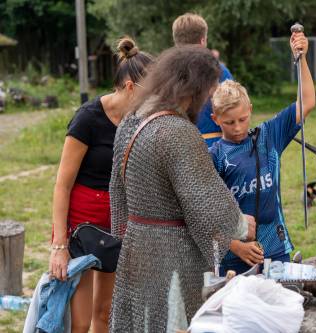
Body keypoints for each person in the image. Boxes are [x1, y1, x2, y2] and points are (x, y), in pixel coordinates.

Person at [108, 46, 255, 332]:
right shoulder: (178, 132)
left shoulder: (131, 119)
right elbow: (205, 202)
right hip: (173, 256)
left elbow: (117, 192)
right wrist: (239, 224)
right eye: (208, 91)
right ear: (195, 87)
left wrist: (125, 238)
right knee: (172, 324)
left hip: (136, 247)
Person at [49, 37, 153, 333]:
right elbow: (62, 185)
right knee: (79, 322)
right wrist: (59, 245)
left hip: (115, 222)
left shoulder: (139, 122)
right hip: (80, 227)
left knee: (105, 313)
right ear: (131, 86)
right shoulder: (87, 119)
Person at [209, 30, 315, 275]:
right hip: (234, 260)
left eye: (243, 119)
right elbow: (205, 215)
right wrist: (235, 246)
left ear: (251, 110)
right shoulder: (213, 156)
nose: (237, 128)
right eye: (229, 122)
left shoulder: (268, 136)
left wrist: (302, 59)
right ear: (215, 119)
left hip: (276, 247)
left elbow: (307, 102)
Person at [172, 13, 233, 147]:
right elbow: (233, 110)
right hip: (216, 147)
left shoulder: (166, 74)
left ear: (176, 43)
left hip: (178, 147)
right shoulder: (219, 71)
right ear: (202, 41)